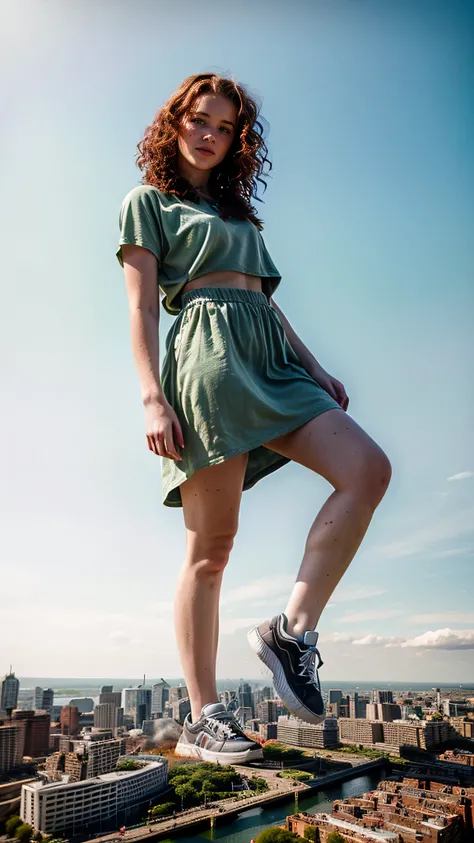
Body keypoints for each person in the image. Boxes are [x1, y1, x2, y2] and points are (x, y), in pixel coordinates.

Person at [116, 73, 391, 765]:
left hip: (271, 357)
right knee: (211, 549)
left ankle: (290, 634)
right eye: (199, 120)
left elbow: (266, 303)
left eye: (224, 127)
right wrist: (151, 394)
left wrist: (316, 368)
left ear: (237, 140)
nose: (210, 134)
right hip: (207, 358)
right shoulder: (147, 202)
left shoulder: (241, 216)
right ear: (174, 124)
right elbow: (143, 306)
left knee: (367, 469)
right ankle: (202, 716)